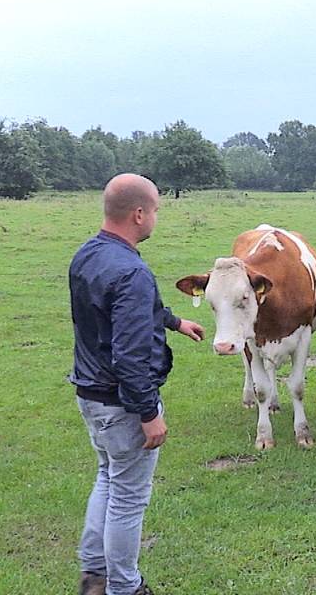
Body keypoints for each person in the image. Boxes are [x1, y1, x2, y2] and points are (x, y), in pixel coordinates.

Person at [70, 173, 205, 595]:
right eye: (157, 210)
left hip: (90, 395)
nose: (157, 218)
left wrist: (175, 321)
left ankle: (94, 574)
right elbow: (129, 357)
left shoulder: (88, 254)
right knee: (128, 497)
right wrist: (148, 413)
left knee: (108, 478)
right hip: (122, 404)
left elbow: (121, 311)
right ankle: (125, 588)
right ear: (139, 214)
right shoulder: (131, 270)